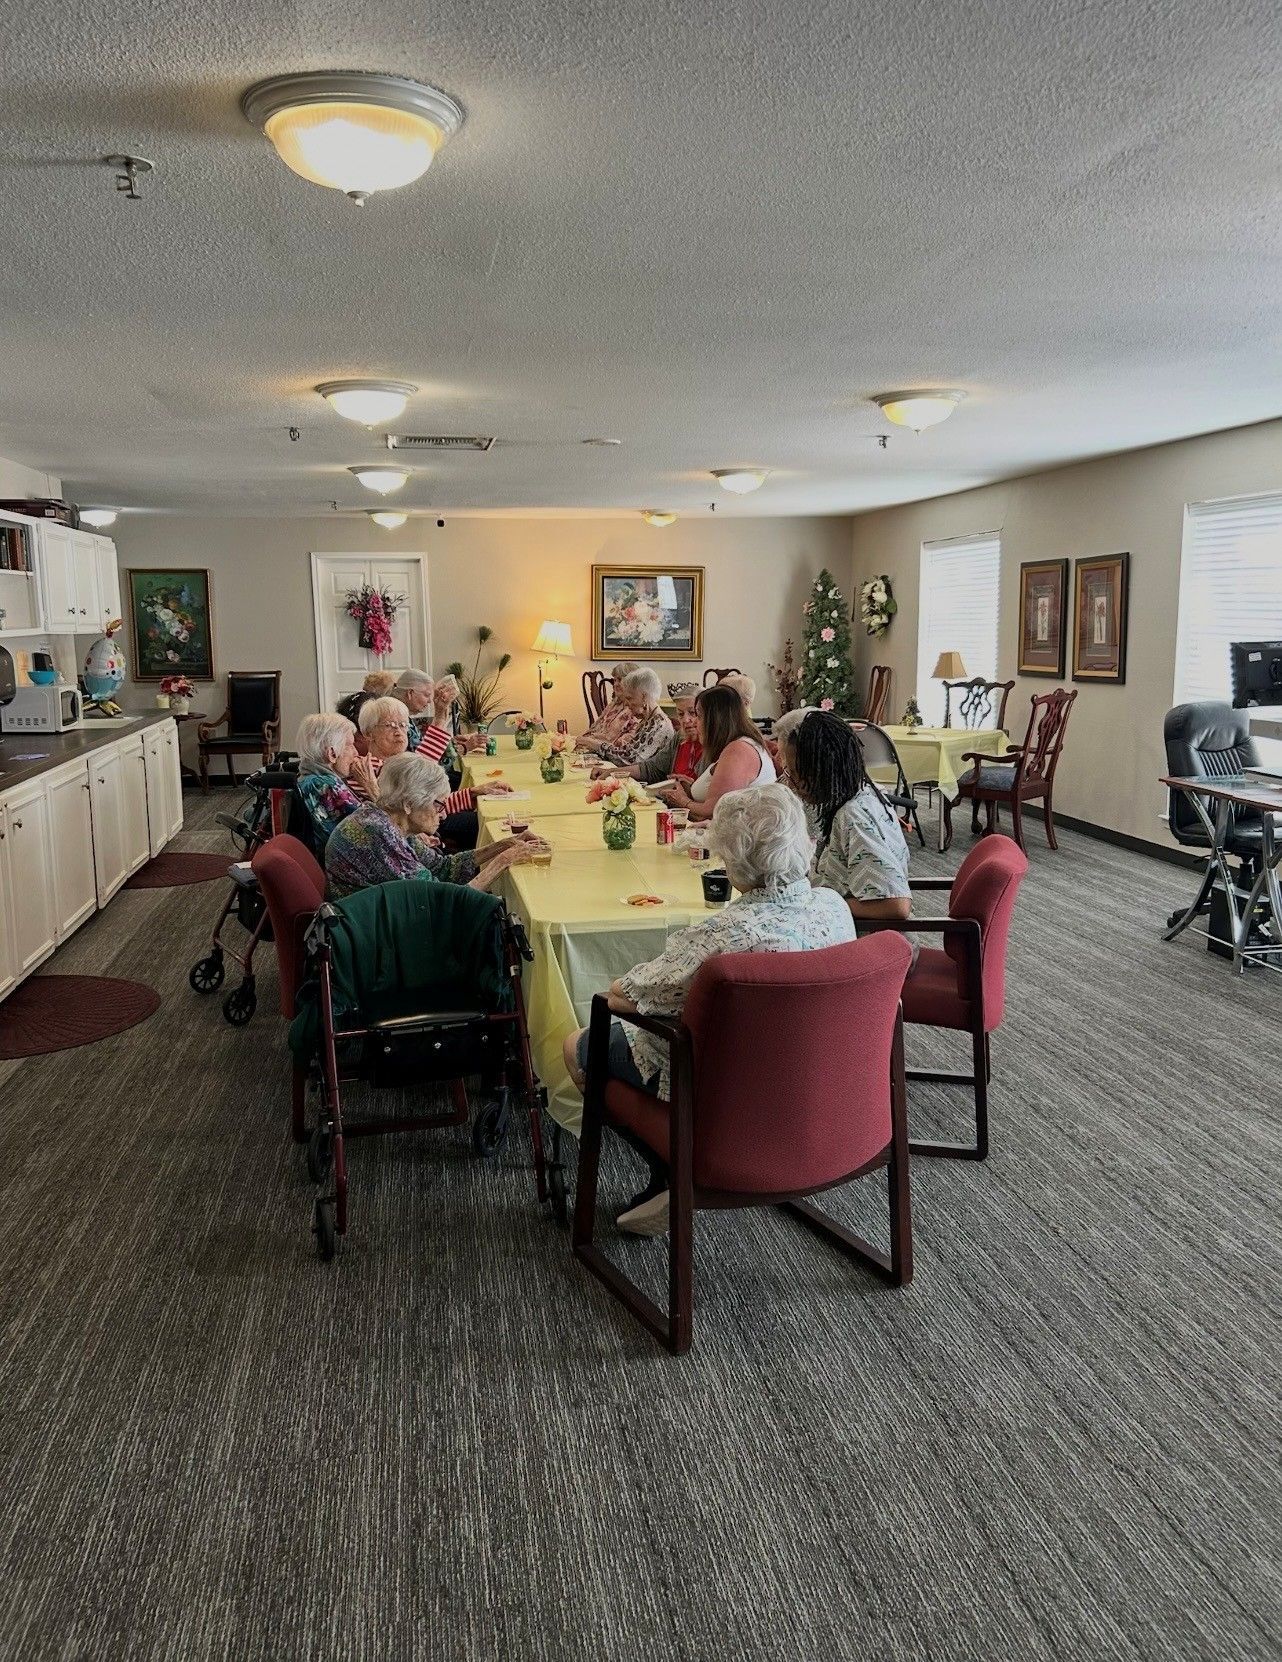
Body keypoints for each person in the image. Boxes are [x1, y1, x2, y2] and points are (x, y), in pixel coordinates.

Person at [562, 782, 856, 1236]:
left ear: (734, 861)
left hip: (720, 1088)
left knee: (577, 1043)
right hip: (817, 1082)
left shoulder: (722, 938)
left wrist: (620, 987)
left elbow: (626, 995)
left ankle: (677, 1172)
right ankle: (676, 1178)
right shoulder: (834, 908)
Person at [324, 754, 546, 900]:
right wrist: (503, 861)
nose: (445, 813)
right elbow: (440, 902)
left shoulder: (394, 822)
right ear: (409, 804)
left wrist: (504, 845)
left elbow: (442, 868)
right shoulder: (378, 834)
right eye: (439, 805)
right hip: (378, 939)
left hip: (388, 919)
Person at [779, 709, 913, 933]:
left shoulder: (854, 816)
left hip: (868, 948)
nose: (792, 784)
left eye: (796, 773)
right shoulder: (863, 792)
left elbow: (896, 905)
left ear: (824, 769)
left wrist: (816, 904)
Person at [653, 682, 774, 820]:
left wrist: (681, 800)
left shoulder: (738, 750)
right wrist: (690, 788)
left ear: (714, 720)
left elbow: (714, 810)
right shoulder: (734, 745)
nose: (694, 722)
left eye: (697, 715)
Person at [294, 712, 378, 845]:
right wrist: (371, 786)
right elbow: (381, 832)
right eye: (350, 745)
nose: (356, 753)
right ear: (332, 753)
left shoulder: (309, 778)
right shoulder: (326, 785)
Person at [599, 691, 705, 787]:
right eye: (681, 714)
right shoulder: (680, 737)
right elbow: (653, 768)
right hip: (671, 800)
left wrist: (691, 789)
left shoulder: (713, 745)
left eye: (693, 713)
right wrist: (613, 772)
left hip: (687, 806)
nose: (686, 720)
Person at [578, 667, 673, 768]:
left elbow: (628, 759)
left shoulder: (659, 724)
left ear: (644, 697)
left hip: (647, 783)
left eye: (629, 698)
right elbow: (626, 752)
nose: (626, 704)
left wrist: (595, 744)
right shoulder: (648, 720)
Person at [580, 661, 641, 747]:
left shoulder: (637, 709)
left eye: (619, 680)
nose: (615, 684)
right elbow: (596, 726)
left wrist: (590, 742)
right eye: (615, 680)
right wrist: (580, 739)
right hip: (593, 746)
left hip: (607, 753)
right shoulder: (616, 702)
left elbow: (623, 744)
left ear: (631, 681)